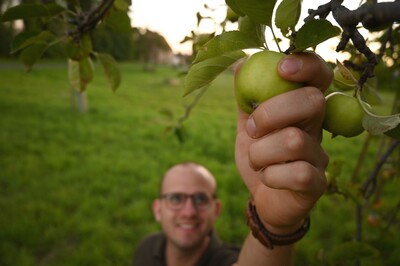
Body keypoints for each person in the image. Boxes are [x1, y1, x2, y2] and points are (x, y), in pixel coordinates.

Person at [133, 51, 332, 266]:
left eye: (200, 199)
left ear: (216, 209)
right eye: (175, 199)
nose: (189, 212)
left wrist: (275, 227)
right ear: (157, 209)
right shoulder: (146, 250)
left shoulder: (226, 259)